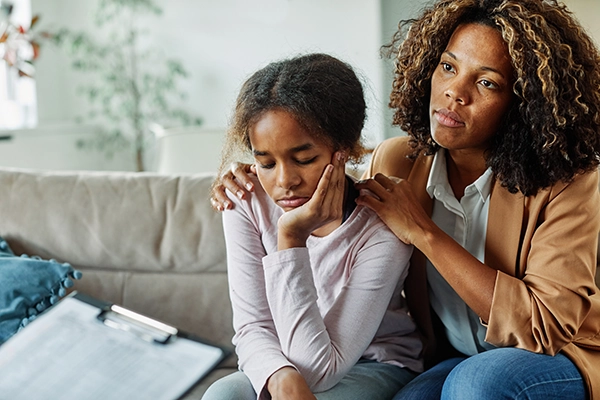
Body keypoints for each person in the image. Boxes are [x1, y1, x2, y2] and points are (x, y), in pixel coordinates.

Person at [210, 1, 600, 399]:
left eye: (486, 83)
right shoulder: (398, 160)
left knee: (475, 385)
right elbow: (320, 175)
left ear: (524, 101)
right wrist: (247, 174)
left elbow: (543, 326)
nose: (454, 92)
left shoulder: (568, 182)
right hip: (452, 355)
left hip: (558, 356)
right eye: (448, 67)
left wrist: (424, 233)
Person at [202, 53, 423, 400]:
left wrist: (291, 237)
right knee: (222, 396)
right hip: (279, 360)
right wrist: (279, 376)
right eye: (266, 162)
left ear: (345, 150)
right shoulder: (244, 202)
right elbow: (252, 326)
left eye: (304, 159)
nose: (285, 181)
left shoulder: (382, 227)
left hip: (372, 365)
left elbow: (319, 370)